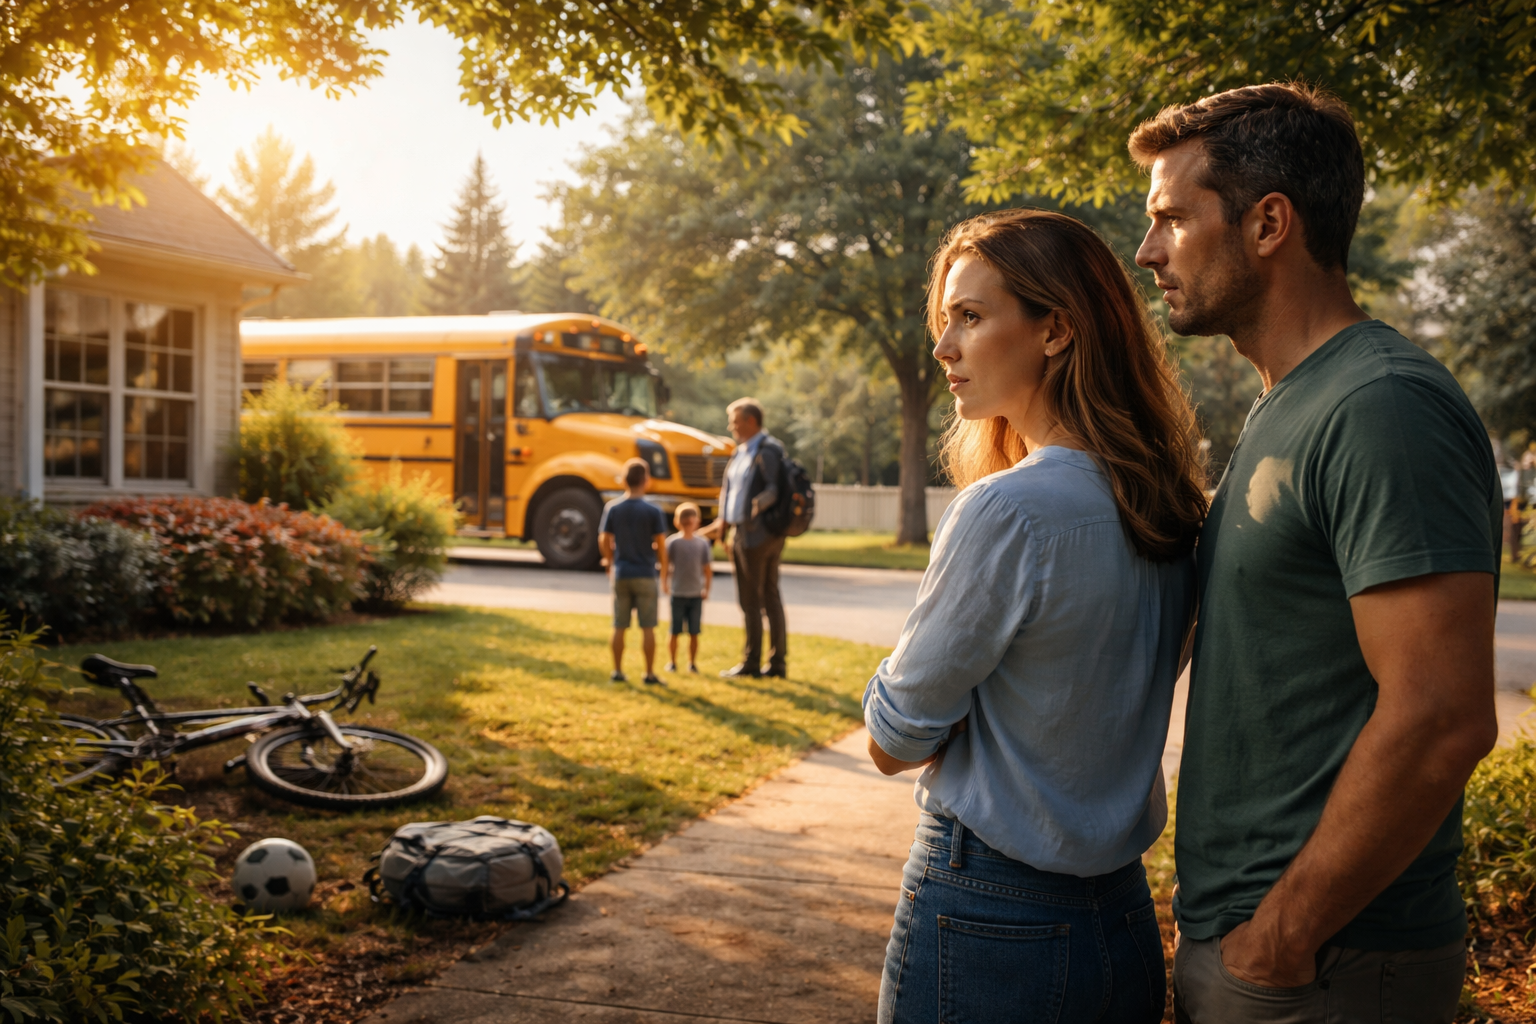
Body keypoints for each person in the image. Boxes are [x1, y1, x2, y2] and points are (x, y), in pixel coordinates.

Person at [1129, 83, 1501, 1023]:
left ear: (1268, 224)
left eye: (1172, 218)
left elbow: (1443, 717)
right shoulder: (1287, 402)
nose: (1148, 251)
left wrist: (1282, 937)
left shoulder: (1381, 407)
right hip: (1272, 954)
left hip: (1328, 968)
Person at [865, 209, 1210, 1023]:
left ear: (1055, 330)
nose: (944, 347)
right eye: (945, 320)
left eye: (972, 317)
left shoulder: (1010, 511)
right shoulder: (1167, 509)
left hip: (988, 910)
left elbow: (894, 739)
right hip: (1121, 918)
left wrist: (944, 708)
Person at [703, 398, 788, 679]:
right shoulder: (741, 452)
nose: (731, 426)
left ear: (751, 421)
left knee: (756, 598)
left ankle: (757, 663)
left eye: (735, 421)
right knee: (764, 597)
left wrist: (753, 514)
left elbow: (773, 490)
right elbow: (731, 493)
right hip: (742, 533)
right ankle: (773, 664)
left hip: (759, 535)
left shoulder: (768, 450)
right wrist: (723, 526)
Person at [598, 458, 669, 686]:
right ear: (646, 480)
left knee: (619, 624)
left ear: (625, 480)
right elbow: (661, 543)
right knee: (648, 626)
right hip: (646, 573)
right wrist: (663, 569)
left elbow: (604, 538)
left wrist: (610, 561)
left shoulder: (613, 508)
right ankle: (648, 673)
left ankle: (617, 671)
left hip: (622, 572)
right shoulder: (653, 510)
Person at [664, 502, 713, 673]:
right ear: (678, 522)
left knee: (694, 631)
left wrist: (706, 588)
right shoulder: (672, 542)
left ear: (697, 522)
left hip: (695, 593)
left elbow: (707, 570)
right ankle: (672, 662)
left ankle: (692, 663)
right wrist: (664, 583)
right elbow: (665, 565)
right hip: (677, 592)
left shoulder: (702, 543)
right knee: (674, 630)